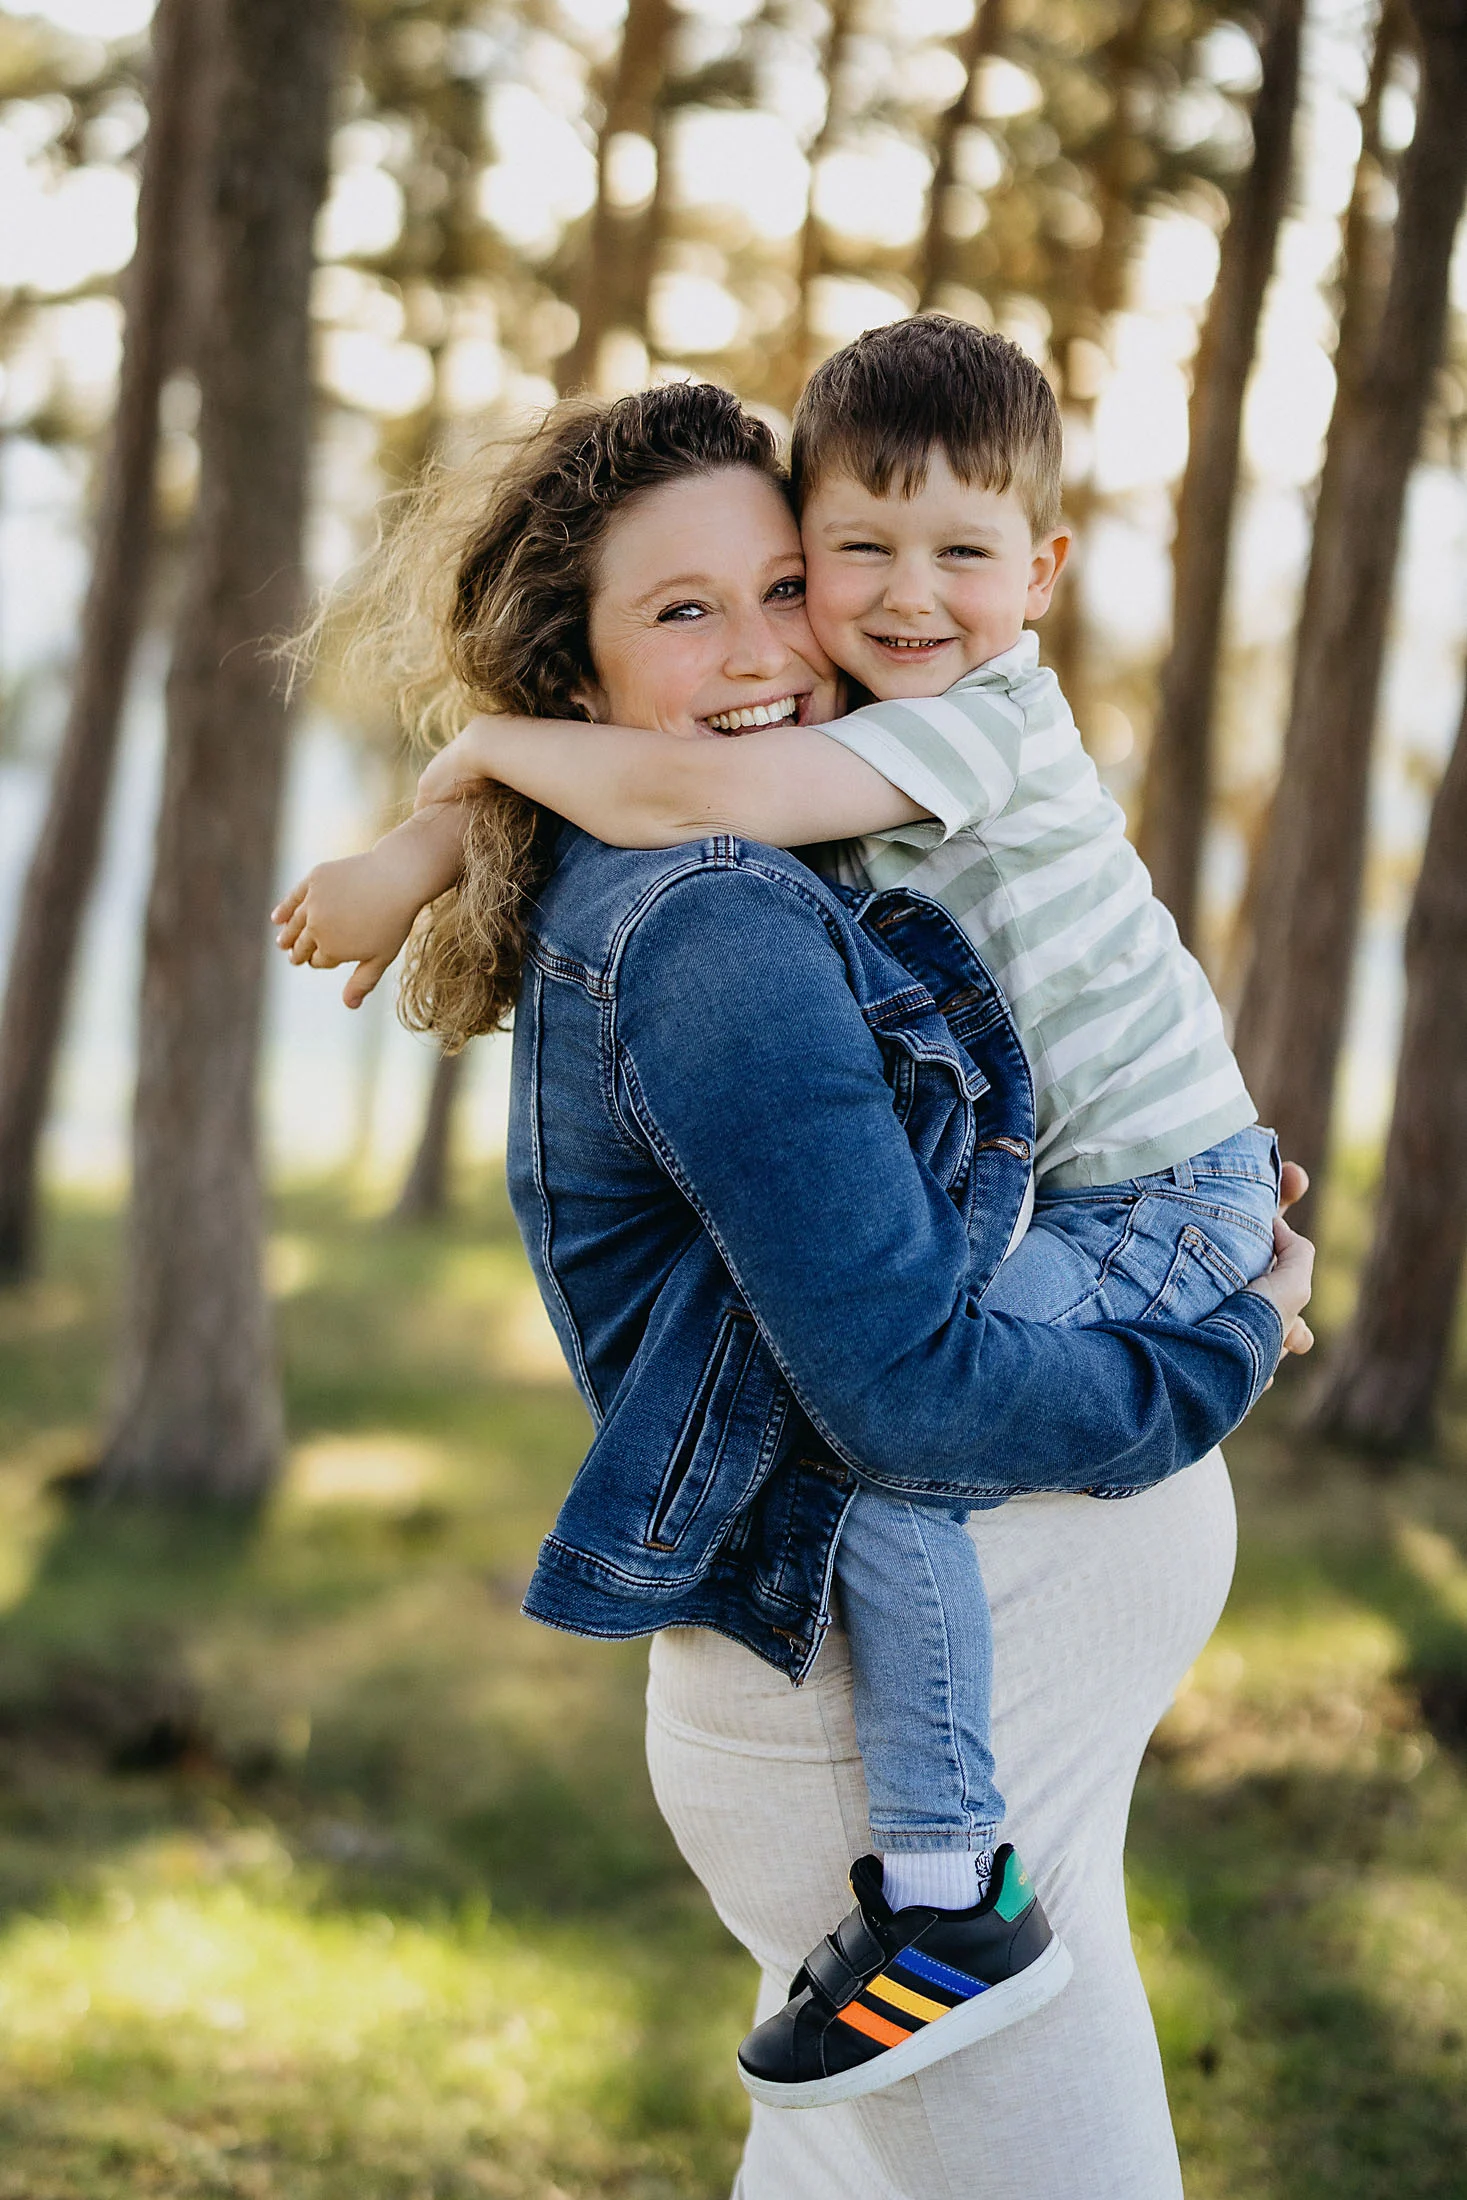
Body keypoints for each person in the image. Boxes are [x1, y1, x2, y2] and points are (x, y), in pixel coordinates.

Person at [274, 379, 1314, 2195]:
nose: (781, 645)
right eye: (687, 611)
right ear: (574, 675)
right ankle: (943, 1893)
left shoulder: (772, 836)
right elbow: (895, 1400)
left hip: (953, 1729)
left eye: (781, 588)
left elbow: (676, 775)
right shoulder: (716, 919)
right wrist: (1216, 1343)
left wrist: (441, 815)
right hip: (878, 1773)